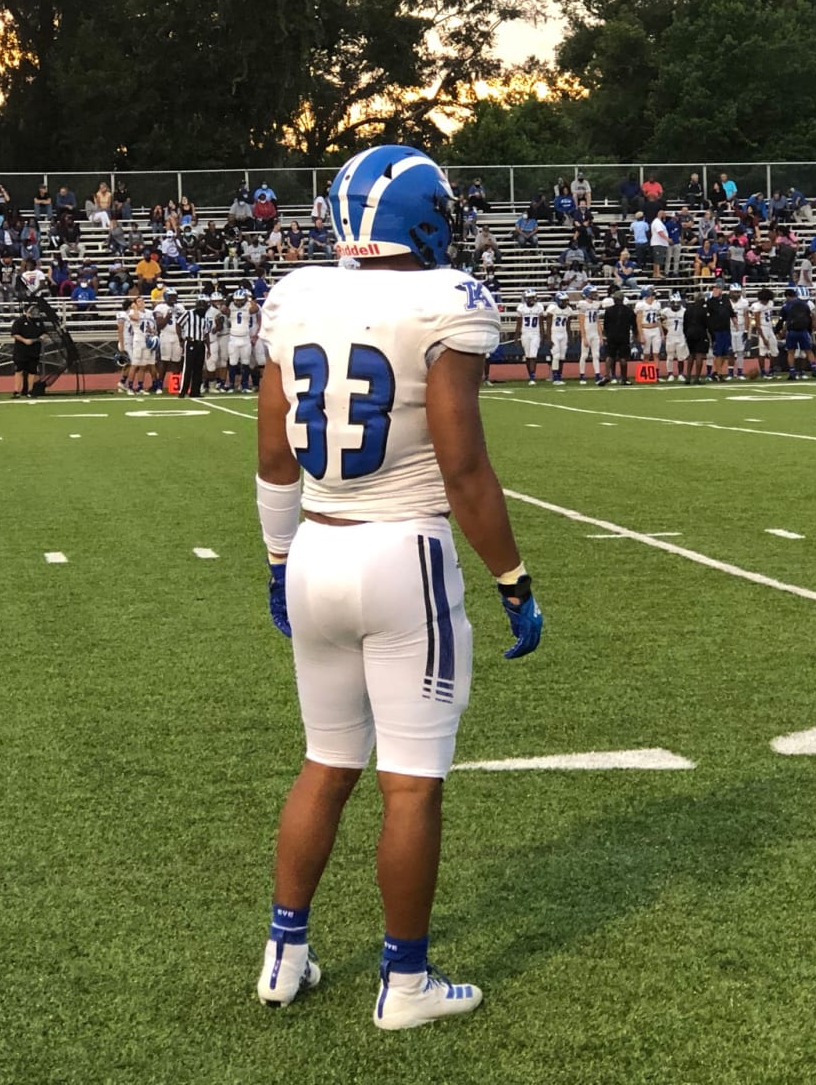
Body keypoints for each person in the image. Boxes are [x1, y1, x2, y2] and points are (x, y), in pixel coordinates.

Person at [253, 144, 542, 1030]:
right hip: (403, 555)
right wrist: (512, 577)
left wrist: (274, 559)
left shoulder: (295, 293)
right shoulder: (445, 299)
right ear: (423, 216)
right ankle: (405, 984)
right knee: (411, 782)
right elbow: (463, 467)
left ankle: (284, 955)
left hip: (315, 547)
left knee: (326, 759)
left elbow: (271, 453)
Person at [11, 304, 45, 397]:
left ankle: (30, 391)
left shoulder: (38, 321)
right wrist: (24, 340)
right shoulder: (19, 321)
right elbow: (14, 333)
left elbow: (44, 332)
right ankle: (17, 391)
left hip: (34, 350)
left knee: (32, 370)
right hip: (21, 350)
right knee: (19, 370)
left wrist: (41, 337)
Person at [514, 287, 545, 384]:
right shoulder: (521, 308)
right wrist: (516, 336)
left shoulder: (539, 307)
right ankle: (530, 375)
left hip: (535, 333)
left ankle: (532, 377)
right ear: (526, 298)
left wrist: (542, 334)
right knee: (527, 356)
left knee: (533, 355)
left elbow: (541, 323)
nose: (532, 299)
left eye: (533, 297)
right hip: (525, 333)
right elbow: (519, 323)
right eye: (530, 298)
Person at [705, 283, 734, 381]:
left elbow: (730, 311)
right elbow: (709, 313)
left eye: (719, 288)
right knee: (718, 353)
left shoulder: (726, 300)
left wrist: (735, 321)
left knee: (725, 353)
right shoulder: (710, 302)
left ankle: (717, 372)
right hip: (716, 330)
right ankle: (719, 374)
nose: (718, 290)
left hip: (726, 329)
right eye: (716, 288)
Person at [576, 283, 603, 384]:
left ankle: (597, 375)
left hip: (594, 333)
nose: (595, 294)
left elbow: (597, 321)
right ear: (587, 294)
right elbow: (581, 322)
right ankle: (582, 376)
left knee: (596, 355)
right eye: (593, 293)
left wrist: (600, 336)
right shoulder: (583, 304)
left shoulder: (595, 304)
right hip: (587, 333)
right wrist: (584, 337)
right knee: (584, 355)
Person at [544, 290, 572, 384]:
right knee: (556, 356)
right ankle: (555, 377)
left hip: (563, 334)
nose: (565, 302)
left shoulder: (568, 310)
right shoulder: (552, 308)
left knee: (562, 357)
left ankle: (559, 376)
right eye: (563, 300)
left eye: (566, 300)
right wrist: (548, 337)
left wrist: (569, 337)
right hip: (554, 333)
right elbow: (548, 325)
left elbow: (568, 325)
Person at [661, 290, 688, 382]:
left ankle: (680, 374)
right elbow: (659, 321)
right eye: (674, 302)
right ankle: (670, 374)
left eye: (678, 302)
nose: (676, 304)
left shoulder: (684, 311)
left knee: (681, 357)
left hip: (680, 335)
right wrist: (664, 331)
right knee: (670, 356)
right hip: (670, 336)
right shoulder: (666, 311)